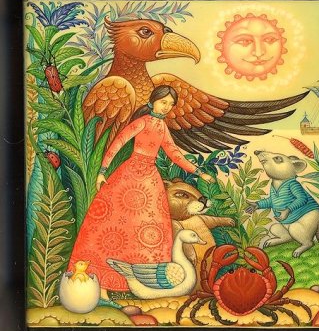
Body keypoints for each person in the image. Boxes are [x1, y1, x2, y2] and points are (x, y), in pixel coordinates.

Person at [68, 85, 212, 302]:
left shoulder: (162, 127)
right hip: (129, 176)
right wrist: (103, 171)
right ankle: (103, 286)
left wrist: (199, 173)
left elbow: (174, 154)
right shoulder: (142, 122)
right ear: (152, 101)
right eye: (163, 102)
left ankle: (140, 284)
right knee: (112, 225)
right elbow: (118, 142)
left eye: (170, 104)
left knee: (147, 227)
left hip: (150, 181)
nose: (167, 107)